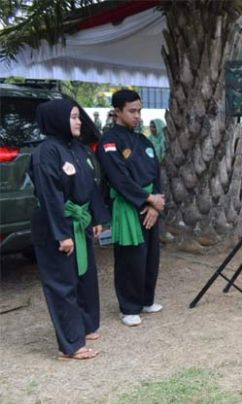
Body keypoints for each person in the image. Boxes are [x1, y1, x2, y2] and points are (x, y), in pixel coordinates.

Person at [28, 99, 110, 360]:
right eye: (73, 117)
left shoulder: (79, 149)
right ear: (58, 120)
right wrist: (61, 234)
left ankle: (84, 326)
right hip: (58, 224)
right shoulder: (46, 153)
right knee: (62, 283)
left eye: (78, 117)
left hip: (81, 220)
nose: (78, 122)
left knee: (84, 277)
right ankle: (70, 345)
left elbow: (91, 184)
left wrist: (96, 216)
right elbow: (50, 195)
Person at [98, 89, 166, 327]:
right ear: (118, 111)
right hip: (129, 205)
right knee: (131, 258)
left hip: (150, 205)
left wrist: (156, 204)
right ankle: (128, 306)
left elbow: (157, 173)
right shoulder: (108, 141)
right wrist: (147, 199)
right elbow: (119, 178)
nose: (138, 116)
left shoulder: (144, 140)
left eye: (140, 111)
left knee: (150, 257)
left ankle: (147, 299)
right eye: (132, 111)